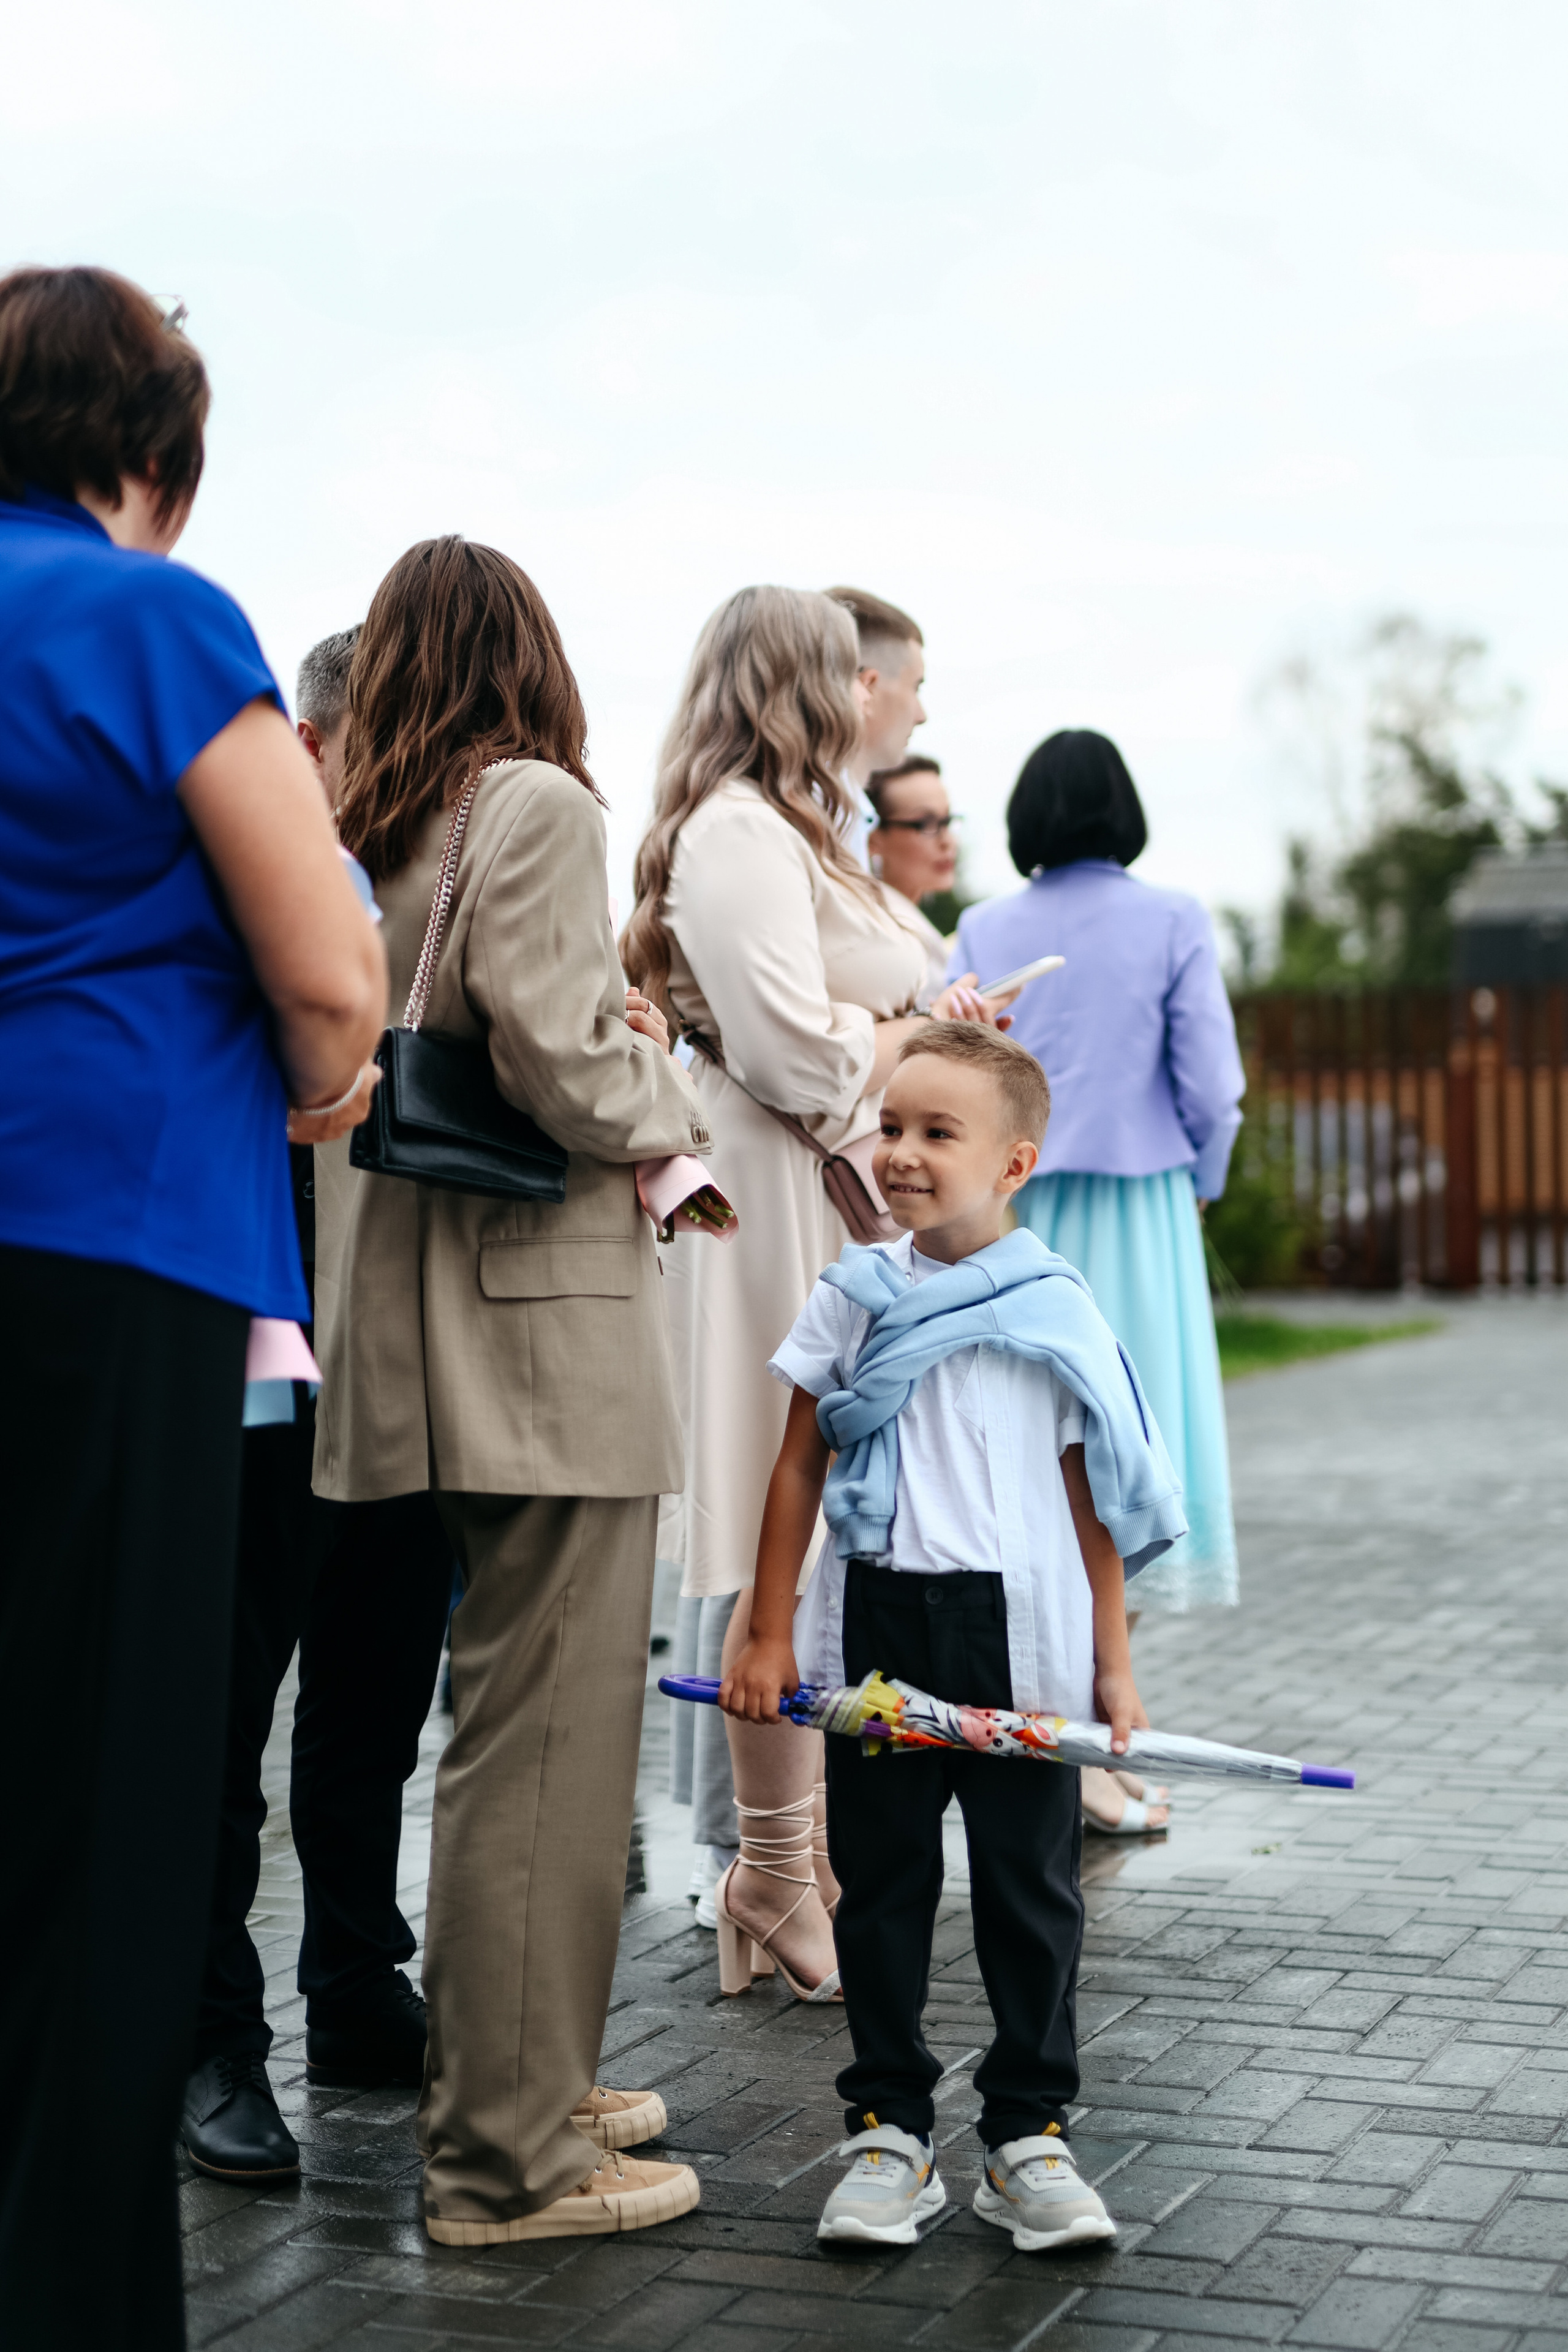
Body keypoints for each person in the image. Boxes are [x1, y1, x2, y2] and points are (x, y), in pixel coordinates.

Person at [0, 267, 385, 2348]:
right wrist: (325, 1084)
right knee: (111, 1787)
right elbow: (329, 963)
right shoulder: (152, 615)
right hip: (111, 1234)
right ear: (148, 453)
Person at [313, 535, 707, 2243]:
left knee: (497, 1743)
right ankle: (504, 2163)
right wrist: (668, 1091)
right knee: (544, 1749)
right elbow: (556, 1059)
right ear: (528, 658)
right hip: (538, 1340)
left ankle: (516, 2091)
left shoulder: (369, 828)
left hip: (414, 1337)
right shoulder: (532, 802)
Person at [721, 1022, 1185, 2250]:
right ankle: (888, 2132)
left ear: (1014, 1162)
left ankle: (1028, 2137)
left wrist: (1112, 1663)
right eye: (891, 1127)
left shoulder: (1054, 1310)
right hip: (877, 1626)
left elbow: (1095, 1500)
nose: (904, 1154)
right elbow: (794, 1465)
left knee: (1030, 1892)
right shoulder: (852, 1294)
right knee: (880, 1889)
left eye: (938, 1133)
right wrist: (766, 1633)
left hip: (1017, 1635)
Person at [622, 586, 1001, 2001]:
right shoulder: (731, 831)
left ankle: (797, 1859)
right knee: (772, 1531)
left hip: (838, 1206)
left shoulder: (805, 839)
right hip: (767, 1207)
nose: (870, 694)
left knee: (840, 1542)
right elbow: (788, 1048)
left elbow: (844, 1028)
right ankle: (773, 1866)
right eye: (839, 673)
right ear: (798, 683)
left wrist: (926, 1030)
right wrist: (909, 1025)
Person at [181, 628, 459, 2187]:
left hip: (402, 1327)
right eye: (380, 740)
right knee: (226, 1697)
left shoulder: (441, 868)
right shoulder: (237, 851)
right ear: (312, 734)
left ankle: (356, 1985)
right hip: (263, 1315)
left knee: (376, 1680)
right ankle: (208, 2034)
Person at [950, 729, 1245, 1833]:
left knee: (1031, 1468)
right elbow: (1213, 1085)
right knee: (1118, 1460)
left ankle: (1065, 1746)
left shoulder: (983, 926)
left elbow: (953, 1064)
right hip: (1138, 1211)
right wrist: (1201, 1182)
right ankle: (1093, 1752)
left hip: (1015, 1212)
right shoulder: (1173, 918)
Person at [825, 586, 927, 864]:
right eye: (915, 687)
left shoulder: (840, 813)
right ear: (869, 686)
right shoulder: (820, 817)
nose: (922, 715)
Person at [867, 751, 960, 1000]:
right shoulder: (877, 932)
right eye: (925, 824)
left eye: (947, 821)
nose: (947, 842)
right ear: (873, 838)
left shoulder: (908, 921)